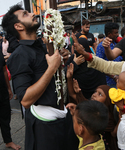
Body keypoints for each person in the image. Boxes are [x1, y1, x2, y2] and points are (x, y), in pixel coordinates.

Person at [1, 4, 74, 150]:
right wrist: (52, 68)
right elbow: (26, 100)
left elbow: (51, 78)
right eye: (26, 14)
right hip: (44, 127)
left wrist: (61, 62)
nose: (33, 14)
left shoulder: (42, 45)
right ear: (18, 26)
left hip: (63, 117)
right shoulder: (19, 55)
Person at [66, 63, 119, 150]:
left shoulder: (103, 117)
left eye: (100, 94)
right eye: (95, 92)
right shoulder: (92, 134)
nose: (94, 95)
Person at [0, 51, 21, 150]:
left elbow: (4, 69)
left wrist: (9, 88)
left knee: (5, 116)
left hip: (2, 90)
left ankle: (8, 141)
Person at [96, 22, 122, 87]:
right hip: (109, 81)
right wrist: (114, 76)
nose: (118, 34)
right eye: (116, 33)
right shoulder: (101, 46)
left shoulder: (116, 44)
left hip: (120, 79)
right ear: (109, 34)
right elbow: (99, 65)